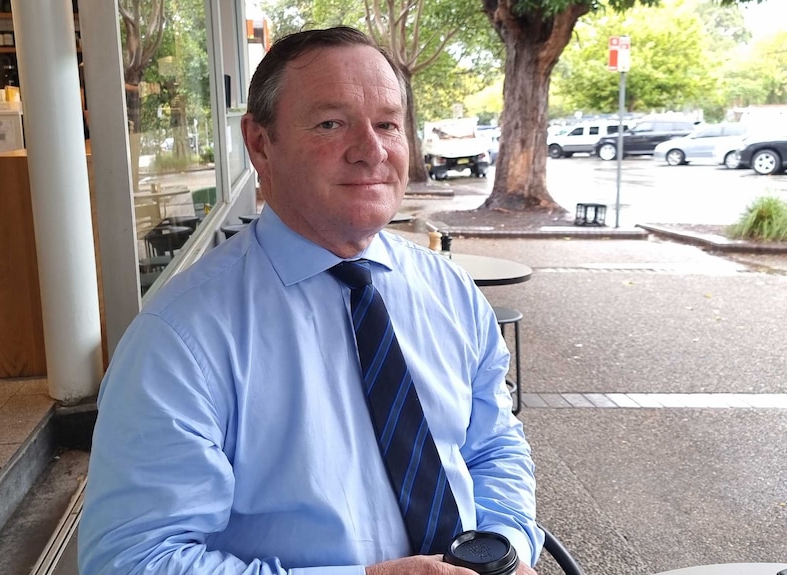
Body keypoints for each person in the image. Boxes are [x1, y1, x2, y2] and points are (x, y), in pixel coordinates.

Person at [79, 26, 543, 575]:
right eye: (331, 124)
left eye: (388, 124)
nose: (371, 151)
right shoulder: (179, 339)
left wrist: (503, 546)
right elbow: (130, 560)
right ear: (259, 144)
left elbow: (491, 447)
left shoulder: (449, 291)